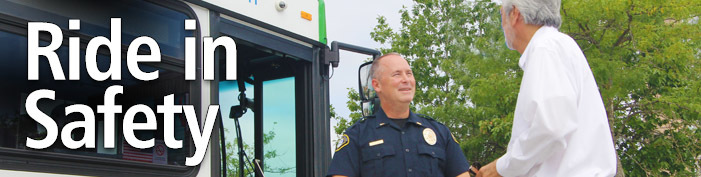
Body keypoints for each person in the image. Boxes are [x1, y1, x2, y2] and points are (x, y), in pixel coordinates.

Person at [476, 0, 617, 176]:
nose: (502, 24)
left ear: (515, 14)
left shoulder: (546, 48)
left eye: (501, 15)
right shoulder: (555, 46)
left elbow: (551, 127)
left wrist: (502, 167)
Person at [327, 53, 472, 177]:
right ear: (377, 85)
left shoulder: (440, 133)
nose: (406, 79)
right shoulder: (357, 136)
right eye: (397, 74)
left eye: (409, 73)